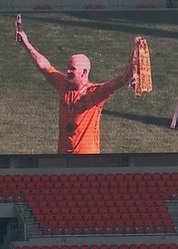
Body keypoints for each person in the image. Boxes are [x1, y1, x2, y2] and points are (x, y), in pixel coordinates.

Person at [16, 20, 138, 154]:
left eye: (72, 69)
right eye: (68, 68)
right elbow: (44, 66)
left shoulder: (94, 94)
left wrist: (132, 68)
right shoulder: (63, 84)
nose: (67, 71)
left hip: (87, 160)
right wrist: (26, 44)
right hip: (62, 158)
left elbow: (117, 82)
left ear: (84, 72)